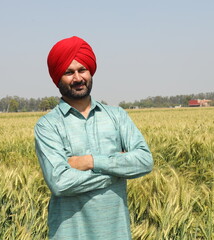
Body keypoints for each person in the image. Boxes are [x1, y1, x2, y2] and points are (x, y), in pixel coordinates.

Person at [34, 36, 153, 240]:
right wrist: (118, 171)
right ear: (57, 78)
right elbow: (60, 182)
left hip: (117, 233)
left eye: (83, 70)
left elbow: (144, 161)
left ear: (91, 71)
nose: (78, 78)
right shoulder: (47, 125)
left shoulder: (117, 116)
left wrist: (91, 161)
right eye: (69, 72)